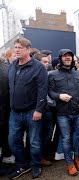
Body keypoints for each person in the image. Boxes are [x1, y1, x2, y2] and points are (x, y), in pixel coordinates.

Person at [7, 38, 48, 179]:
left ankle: (35, 165)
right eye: (16, 47)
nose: (17, 50)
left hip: (32, 112)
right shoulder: (12, 66)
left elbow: (43, 90)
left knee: (35, 142)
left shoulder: (38, 67)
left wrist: (39, 110)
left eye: (20, 47)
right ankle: (21, 164)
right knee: (13, 141)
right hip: (15, 112)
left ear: (28, 50)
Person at [48, 49, 79, 176]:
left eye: (69, 56)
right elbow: (50, 92)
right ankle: (69, 163)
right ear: (60, 58)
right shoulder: (53, 74)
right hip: (63, 113)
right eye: (65, 56)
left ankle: (77, 158)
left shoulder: (78, 73)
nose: (67, 58)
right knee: (66, 139)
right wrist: (59, 96)